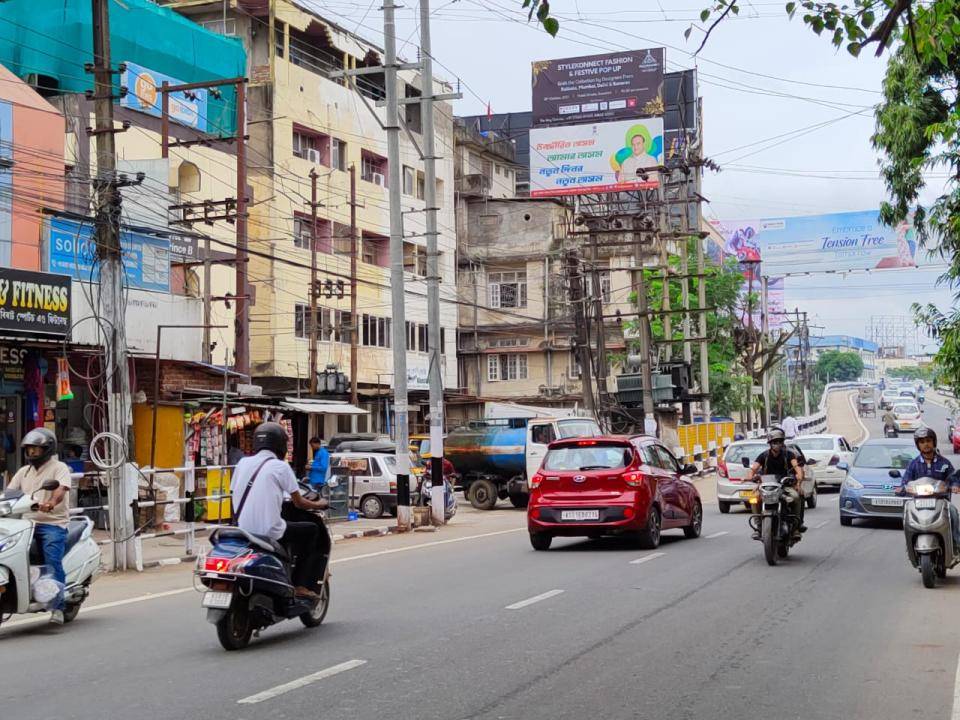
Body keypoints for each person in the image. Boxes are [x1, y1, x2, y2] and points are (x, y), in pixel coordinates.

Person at [231, 422, 328, 600]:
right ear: (280, 445)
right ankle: (300, 584)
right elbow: (299, 503)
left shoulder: (242, 463)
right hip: (270, 532)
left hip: (242, 530)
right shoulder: (281, 467)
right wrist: (319, 504)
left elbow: (234, 493)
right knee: (311, 530)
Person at [7, 428, 72, 624]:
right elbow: (9, 493)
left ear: (47, 449)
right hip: (25, 524)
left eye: (36, 449)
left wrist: (51, 503)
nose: (32, 453)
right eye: (29, 449)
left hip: (51, 524)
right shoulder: (23, 471)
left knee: (52, 560)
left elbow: (60, 489)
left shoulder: (58, 468)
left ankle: (58, 607)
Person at [898, 427, 960, 549]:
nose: (925, 444)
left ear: (934, 442)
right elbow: (905, 480)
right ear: (918, 445)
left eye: (928, 440)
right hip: (917, 503)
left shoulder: (944, 463)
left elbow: (954, 478)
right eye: (922, 442)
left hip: (941, 502)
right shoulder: (913, 464)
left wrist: (955, 486)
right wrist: (901, 488)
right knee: (905, 515)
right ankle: (910, 544)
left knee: (953, 513)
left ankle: (956, 543)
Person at [748, 428, 807, 538]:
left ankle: (795, 527)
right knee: (754, 498)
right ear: (770, 444)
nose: (777, 444)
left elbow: (796, 467)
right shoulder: (764, 456)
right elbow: (753, 469)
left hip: (785, 486)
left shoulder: (789, 455)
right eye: (775, 442)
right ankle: (759, 526)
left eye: (780, 442)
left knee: (796, 497)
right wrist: (751, 477)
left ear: (783, 443)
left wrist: (799, 478)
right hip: (767, 487)